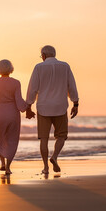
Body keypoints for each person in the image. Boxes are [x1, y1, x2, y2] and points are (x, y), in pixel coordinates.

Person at [26, 45, 79, 174]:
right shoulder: (65, 66)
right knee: (61, 136)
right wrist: (75, 103)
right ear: (54, 54)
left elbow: (33, 88)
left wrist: (29, 105)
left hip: (43, 107)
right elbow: (71, 85)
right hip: (60, 106)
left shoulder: (39, 67)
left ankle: (45, 167)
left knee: (44, 139)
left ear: (43, 56)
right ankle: (54, 157)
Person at [0, 59, 34, 175]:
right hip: (12, 113)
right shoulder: (16, 83)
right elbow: (19, 101)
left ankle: (2, 163)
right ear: (10, 68)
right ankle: (8, 167)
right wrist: (27, 108)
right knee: (12, 139)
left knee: (0, 138)